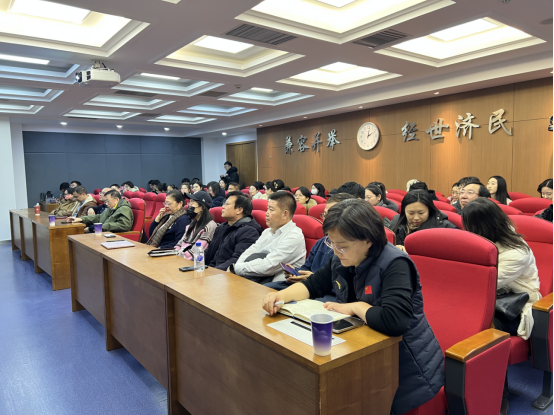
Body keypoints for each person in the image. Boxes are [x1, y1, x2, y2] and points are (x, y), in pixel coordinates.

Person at [262, 200, 444, 415]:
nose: (336, 251)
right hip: (363, 353)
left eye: (343, 246)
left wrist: (357, 307)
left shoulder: (395, 263)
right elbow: (313, 285)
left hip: (406, 368)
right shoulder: (342, 258)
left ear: (368, 240)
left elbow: (395, 321)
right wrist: (280, 296)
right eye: (331, 243)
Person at [264, 193, 355, 292]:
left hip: (326, 291)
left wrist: (314, 279)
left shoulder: (351, 249)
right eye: (325, 214)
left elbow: (345, 287)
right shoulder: (321, 242)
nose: (326, 219)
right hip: (307, 284)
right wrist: (295, 272)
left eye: (332, 215)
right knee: (267, 288)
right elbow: (306, 267)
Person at [231, 192, 306, 284]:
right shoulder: (267, 231)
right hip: (256, 279)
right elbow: (252, 250)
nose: (266, 213)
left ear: (285, 214)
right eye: (267, 209)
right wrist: (238, 266)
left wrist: (237, 268)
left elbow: (269, 266)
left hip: (277, 286)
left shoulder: (294, 237)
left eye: (271, 210)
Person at [205, 192, 263, 271]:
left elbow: (237, 261)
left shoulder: (249, 232)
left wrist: (211, 272)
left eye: (227, 204)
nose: (223, 207)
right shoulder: (222, 227)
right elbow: (209, 251)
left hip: (224, 274)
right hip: (211, 270)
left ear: (239, 210)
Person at [390, 191, 458, 248]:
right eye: (411, 213)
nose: (416, 218)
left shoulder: (444, 227)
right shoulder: (396, 221)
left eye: (421, 213)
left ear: (429, 210)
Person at [174, 191, 217, 260]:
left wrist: (176, 258)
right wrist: (173, 253)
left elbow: (195, 253)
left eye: (193, 202)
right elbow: (180, 243)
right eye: (190, 202)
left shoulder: (209, 226)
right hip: (180, 257)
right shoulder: (192, 224)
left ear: (202, 207)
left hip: (190, 261)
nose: (189, 205)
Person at [68, 190, 133, 234]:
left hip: (113, 235)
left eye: (108, 201)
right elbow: (99, 217)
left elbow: (124, 225)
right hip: (103, 232)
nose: (106, 204)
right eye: (105, 202)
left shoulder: (124, 209)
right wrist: (81, 219)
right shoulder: (111, 207)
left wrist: (96, 227)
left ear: (117, 199)